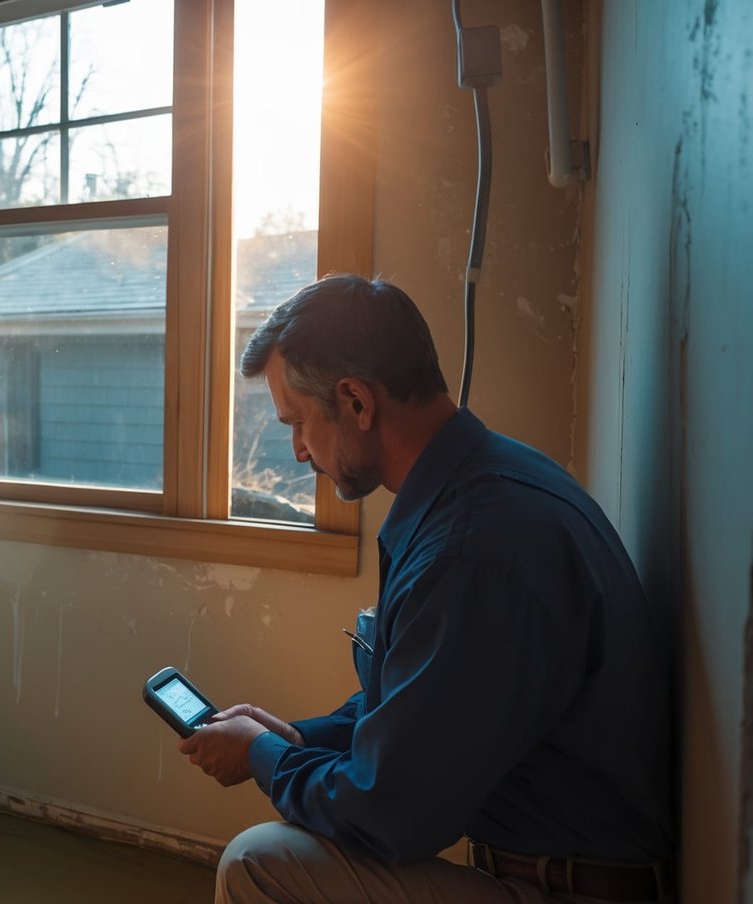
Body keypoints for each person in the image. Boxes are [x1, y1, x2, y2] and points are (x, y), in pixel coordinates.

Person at [178, 275, 672, 902]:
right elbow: (425, 704)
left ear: (356, 401)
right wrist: (300, 740)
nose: (298, 450)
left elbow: (391, 815)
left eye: (298, 422)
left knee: (260, 863)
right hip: (535, 866)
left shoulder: (470, 551)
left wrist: (262, 758)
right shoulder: (486, 485)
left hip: (571, 890)